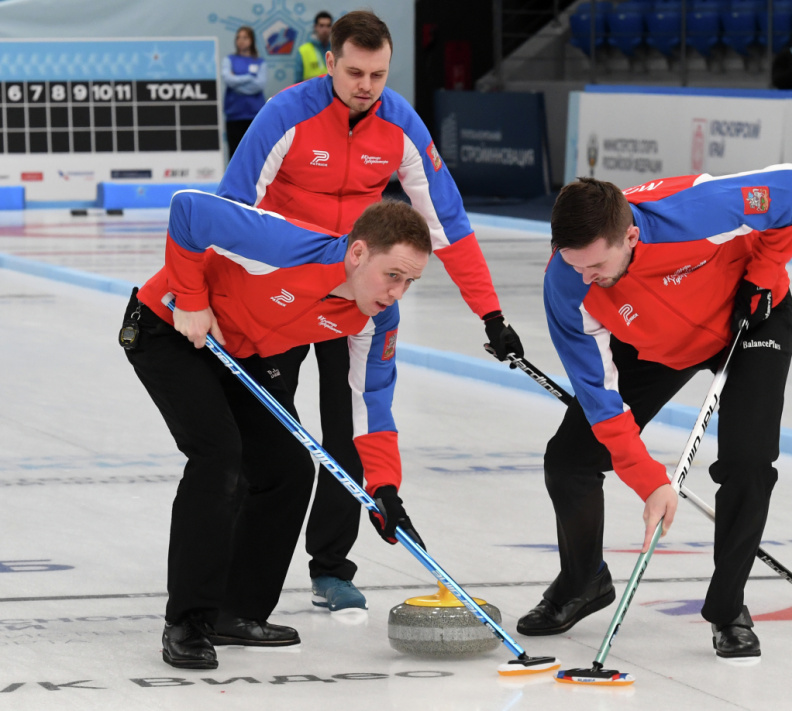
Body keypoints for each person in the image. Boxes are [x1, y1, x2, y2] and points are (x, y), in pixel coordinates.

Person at [218, 9, 523, 614]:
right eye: (354, 71)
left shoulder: (400, 125)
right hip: (280, 292)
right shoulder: (286, 114)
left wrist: (489, 314)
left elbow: (448, 224)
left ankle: (331, 566)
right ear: (330, 63)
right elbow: (233, 210)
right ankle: (233, 570)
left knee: (350, 426)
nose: (365, 85)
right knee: (265, 438)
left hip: (357, 293)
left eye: (378, 74)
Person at [120, 190, 431, 669]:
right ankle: (188, 621)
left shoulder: (375, 318)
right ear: (357, 252)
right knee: (219, 457)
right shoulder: (283, 246)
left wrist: (385, 487)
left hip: (240, 353)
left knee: (286, 469)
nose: (396, 293)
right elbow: (186, 208)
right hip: (169, 328)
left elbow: (372, 403)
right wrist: (190, 298)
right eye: (392, 275)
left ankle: (236, 611)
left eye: (409, 282)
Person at [519, 165, 792, 660]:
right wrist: (649, 478)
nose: (584, 278)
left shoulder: (694, 212)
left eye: (595, 267)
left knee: (748, 461)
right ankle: (583, 581)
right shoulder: (566, 285)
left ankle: (727, 607)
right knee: (570, 458)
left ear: (630, 236)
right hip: (659, 345)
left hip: (751, 315)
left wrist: (761, 276)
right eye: (573, 265)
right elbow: (600, 400)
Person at [221, 26, 268, 159]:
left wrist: (237, 81)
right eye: (238, 37)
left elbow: (259, 85)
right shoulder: (229, 60)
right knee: (235, 154)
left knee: (254, 155)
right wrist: (249, 77)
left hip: (254, 114)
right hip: (234, 115)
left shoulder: (260, 62)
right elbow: (228, 80)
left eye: (245, 37)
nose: (241, 41)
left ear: (252, 40)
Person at [295, 11, 333, 81]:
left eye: (328, 26)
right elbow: (297, 83)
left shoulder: (336, 49)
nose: (325, 29)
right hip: (311, 91)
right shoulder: (303, 50)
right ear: (315, 27)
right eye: (321, 25)